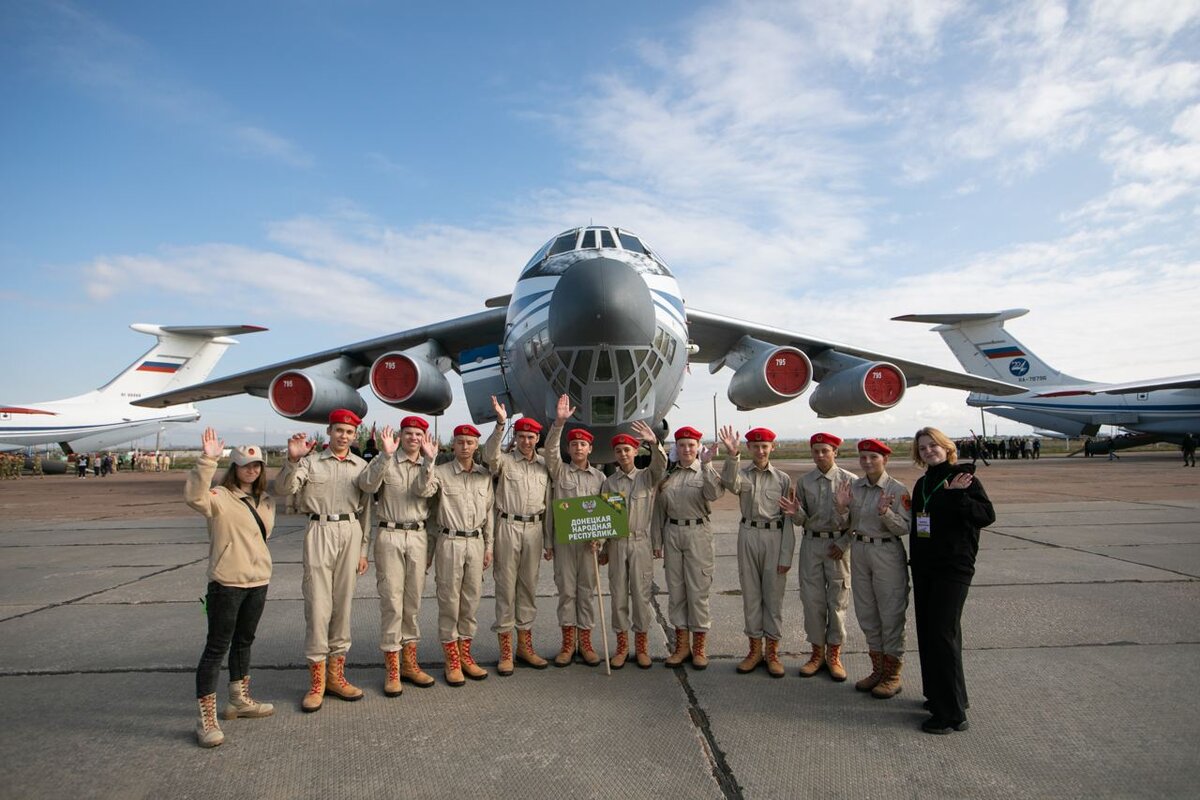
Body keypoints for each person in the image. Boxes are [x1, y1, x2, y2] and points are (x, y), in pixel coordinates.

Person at [273, 409, 371, 712]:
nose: (344, 436)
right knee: (317, 605)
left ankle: (336, 676)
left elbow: (366, 510)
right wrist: (291, 460)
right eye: (339, 430)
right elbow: (284, 489)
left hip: (350, 531)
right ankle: (316, 682)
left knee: (343, 605)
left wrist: (363, 549)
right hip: (319, 529)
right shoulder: (310, 462)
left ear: (356, 436)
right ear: (328, 432)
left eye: (349, 432)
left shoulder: (361, 466)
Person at [186, 428, 275, 748]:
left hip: (258, 581)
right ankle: (205, 718)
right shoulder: (220, 498)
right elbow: (194, 496)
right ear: (234, 467)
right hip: (227, 583)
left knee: (244, 641)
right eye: (245, 464)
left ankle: (238, 699)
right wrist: (207, 458)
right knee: (216, 648)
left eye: (257, 465)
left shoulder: (265, 501)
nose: (251, 470)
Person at [910, 426, 996, 735]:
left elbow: (986, 516)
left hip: (953, 568)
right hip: (925, 568)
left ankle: (951, 715)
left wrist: (959, 497)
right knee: (930, 634)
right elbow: (919, 527)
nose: (928, 451)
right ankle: (940, 696)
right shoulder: (923, 483)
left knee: (942, 635)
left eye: (933, 445)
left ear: (947, 448)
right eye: (922, 448)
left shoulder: (964, 479)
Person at [357, 417, 437, 696]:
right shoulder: (386, 461)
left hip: (417, 535)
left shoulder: (429, 463)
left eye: (418, 434)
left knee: (412, 602)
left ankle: (410, 664)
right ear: (400, 435)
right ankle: (392, 667)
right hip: (390, 534)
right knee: (392, 601)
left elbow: (423, 491)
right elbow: (366, 486)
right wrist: (384, 455)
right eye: (409, 433)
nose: (413, 438)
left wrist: (429, 462)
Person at [484, 396, 560, 675]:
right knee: (505, 587)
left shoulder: (544, 466)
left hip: (535, 529)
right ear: (515, 439)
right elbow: (488, 456)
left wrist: (549, 542)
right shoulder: (504, 461)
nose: (527, 441)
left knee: (528, 587)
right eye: (522, 437)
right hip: (508, 527)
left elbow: (550, 505)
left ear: (537, 438)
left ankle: (525, 646)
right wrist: (501, 423)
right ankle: (505, 650)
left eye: (531, 437)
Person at [417, 423, 494, 686]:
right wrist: (428, 461)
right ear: (454, 443)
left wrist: (489, 546)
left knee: (471, 601)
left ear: (476, 445)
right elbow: (424, 491)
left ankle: (466, 655)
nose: (465, 446)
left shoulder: (484, 475)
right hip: (449, 541)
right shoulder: (440, 472)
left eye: (470, 442)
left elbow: (489, 514)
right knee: (449, 601)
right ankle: (451, 659)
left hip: (475, 542)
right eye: (460, 442)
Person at [835, 439, 911, 698]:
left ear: (884, 460)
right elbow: (849, 523)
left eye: (873, 457)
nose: (867, 462)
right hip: (860, 551)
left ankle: (892, 674)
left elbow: (905, 528)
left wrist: (885, 513)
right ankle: (877, 669)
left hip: (886, 552)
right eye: (863, 457)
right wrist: (842, 507)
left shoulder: (896, 489)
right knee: (867, 612)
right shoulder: (854, 487)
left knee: (890, 613)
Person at [719, 426, 795, 678]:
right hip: (749, 535)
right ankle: (754, 650)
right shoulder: (742, 474)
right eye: (755, 446)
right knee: (751, 594)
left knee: (773, 597)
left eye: (765, 446)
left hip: (774, 535)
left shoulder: (782, 479)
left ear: (773, 447)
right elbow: (730, 484)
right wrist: (732, 455)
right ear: (749, 449)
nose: (761, 450)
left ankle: (772, 652)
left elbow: (788, 519)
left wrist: (786, 555)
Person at [784, 433, 856, 681]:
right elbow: (802, 518)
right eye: (816, 451)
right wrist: (795, 514)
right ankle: (816, 653)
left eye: (825, 450)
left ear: (835, 451)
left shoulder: (850, 481)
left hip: (838, 546)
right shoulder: (805, 482)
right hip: (812, 544)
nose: (820, 455)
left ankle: (834, 654)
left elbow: (858, 521)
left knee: (837, 602)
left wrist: (845, 542)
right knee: (813, 602)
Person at [544, 395, 606, 667]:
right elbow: (549, 452)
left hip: (589, 545)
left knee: (587, 592)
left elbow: (606, 514)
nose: (578, 448)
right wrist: (559, 424)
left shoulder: (600, 478)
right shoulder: (560, 473)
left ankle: (587, 642)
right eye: (574, 444)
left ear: (590, 449)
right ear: (569, 449)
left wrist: (601, 540)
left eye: (583, 444)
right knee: (567, 591)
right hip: (566, 544)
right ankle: (568, 643)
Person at [600, 421, 667, 669]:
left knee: (641, 595)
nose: (623, 454)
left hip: (640, 542)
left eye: (627, 449)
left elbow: (661, 466)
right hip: (617, 544)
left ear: (635, 451)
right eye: (619, 451)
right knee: (618, 594)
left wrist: (653, 443)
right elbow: (606, 518)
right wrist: (604, 548)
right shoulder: (610, 483)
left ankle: (642, 647)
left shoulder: (647, 478)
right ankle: (621, 647)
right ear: (615, 455)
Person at [655, 426, 723, 669]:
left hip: (698, 534)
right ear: (676, 447)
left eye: (691, 445)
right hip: (672, 532)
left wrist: (706, 466)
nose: (686, 449)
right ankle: (681, 646)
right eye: (682, 445)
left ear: (698, 447)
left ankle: (699, 647)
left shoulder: (704, 471)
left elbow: (714, 494)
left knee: (698, 592)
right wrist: (656, 542)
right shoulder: (667, 476)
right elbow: (658, 511)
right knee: (676, 591)